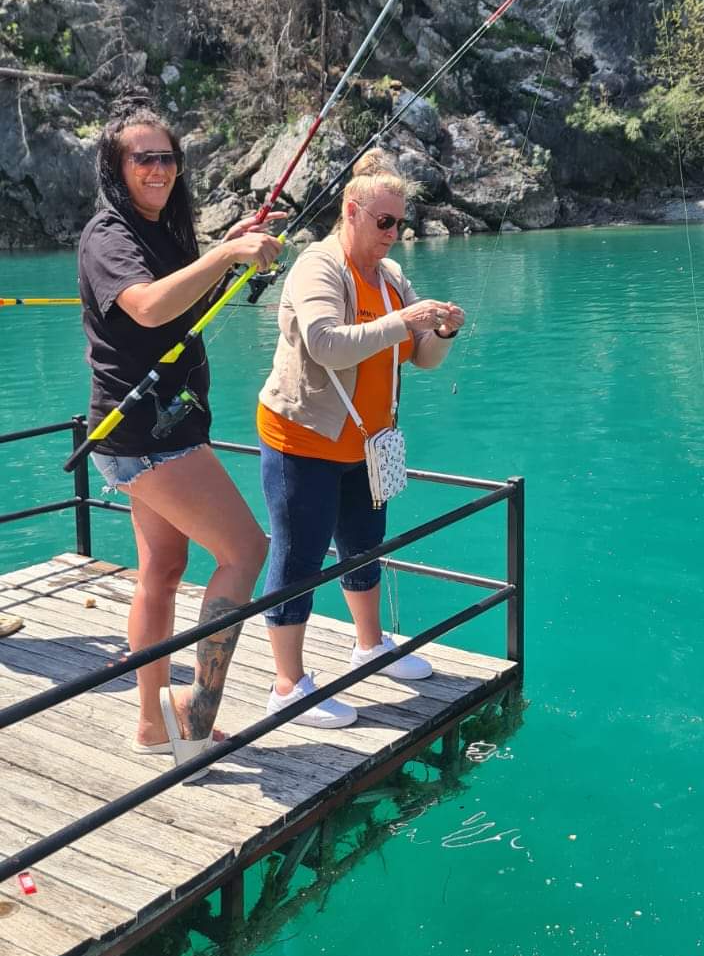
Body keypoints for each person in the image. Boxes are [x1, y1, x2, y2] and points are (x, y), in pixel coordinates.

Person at [78, 103, 283, 775]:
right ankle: (194, 724)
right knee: (246, 549)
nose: (160, 169)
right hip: (145, 436)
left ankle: (150, 726)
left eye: (167, 157)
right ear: (116, 167)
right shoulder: (109, 236)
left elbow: (182, 301)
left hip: (160, 430)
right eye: (144, 159)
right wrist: (226, 251)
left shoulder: (161, 232)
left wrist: (232, 255)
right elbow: (146, 305)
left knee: (163, 572)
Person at [257, 149, 465, 727]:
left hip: (367, 445)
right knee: (298, 557)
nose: (394, 235)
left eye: (400, 224)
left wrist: (440, 330)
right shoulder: (317, 268)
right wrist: (405, 320)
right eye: (384, 223)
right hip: (303, 440)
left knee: (365, 542)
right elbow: (325, 343)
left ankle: (369, 646)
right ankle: (287, 684)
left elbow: (421, 360)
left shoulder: (392, 277)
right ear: (352, 212)